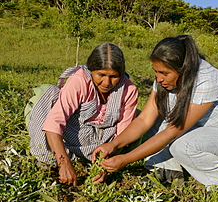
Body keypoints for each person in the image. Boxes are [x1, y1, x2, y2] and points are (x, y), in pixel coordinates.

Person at [92, 35, 218, 190]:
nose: (158, 79)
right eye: (156, 72)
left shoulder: (207, 81)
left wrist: (126, 159)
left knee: (184, 146)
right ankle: (168, 171)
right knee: (146, 117)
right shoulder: (164, 80)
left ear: (183, 69)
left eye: (164, 73)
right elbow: (144, 120)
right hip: (198, 129)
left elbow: (173, 132)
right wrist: (113, 145)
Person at [28, 43, 138, 186]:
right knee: (50, 95)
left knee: (138, 119)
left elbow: (122, 136)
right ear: (91, 70)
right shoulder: (80, 81)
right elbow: (54, 123)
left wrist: (105, 166)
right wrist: (64, 163)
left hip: (103, 143)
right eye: (101, 75)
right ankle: (50, 159)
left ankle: (86, 161)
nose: (107, 82)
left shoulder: (128, 90)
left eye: (114, 76)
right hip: (72, 133)